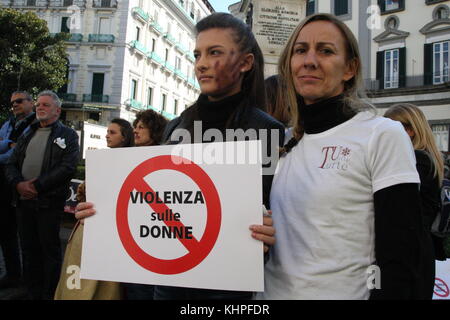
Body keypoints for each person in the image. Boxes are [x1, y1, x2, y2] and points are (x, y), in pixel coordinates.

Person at [76, 12, 285, 300]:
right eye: (198, 54)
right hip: (169, 282)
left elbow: (277, 207)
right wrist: (102, 213)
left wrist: (273, 231)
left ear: (246, 62)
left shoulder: (268, 130)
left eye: (215, 53)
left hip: (229, 287)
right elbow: (156, 198)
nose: (201, 64)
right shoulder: (175, 128)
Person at [258, 13, 429, 300]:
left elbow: (401, 253)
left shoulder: (382, 134)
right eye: (300, 50)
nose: (309, 60)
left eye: (325, 50)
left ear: (350, 68)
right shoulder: (282, 142)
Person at [5, 90, 79, 300]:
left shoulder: (68, 135)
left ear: (57, 110)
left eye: (45, 104)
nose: (40, 107)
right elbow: (11, 163)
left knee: (49, 252)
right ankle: (31, 291)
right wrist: (19, 184)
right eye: (38, 104)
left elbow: (67, 167)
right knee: (28, 249)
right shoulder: (28, 133)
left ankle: (49, 294)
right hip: (23, 202)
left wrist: (36, 186)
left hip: (47, 203)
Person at [54, 118, 134, 300]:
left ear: (124, 137)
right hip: (86, 228)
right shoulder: (102, 158)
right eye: (107, 131)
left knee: (103, 283)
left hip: (109, 233)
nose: (107, 135)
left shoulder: (130, 163)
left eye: (113, 132)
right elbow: (85, 193)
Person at [384, 103, 446, 298]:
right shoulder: (425, 158)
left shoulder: (416, 160)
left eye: (388, 129)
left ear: (409, 130)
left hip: (410, 252)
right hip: (418, 249)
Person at [0, 91, 35, 289]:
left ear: (31, 103)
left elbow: (16, 155)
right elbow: (8, 148)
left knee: (25, 234)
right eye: (12, 102)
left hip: (20, 183)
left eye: (19, 101)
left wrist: (5, 149)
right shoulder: (8, 123)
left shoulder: (34, 125)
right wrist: (6, 143)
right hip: (4, 184)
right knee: (5, 231)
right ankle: (13, 274)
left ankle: (27, 281)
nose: (14, 105)